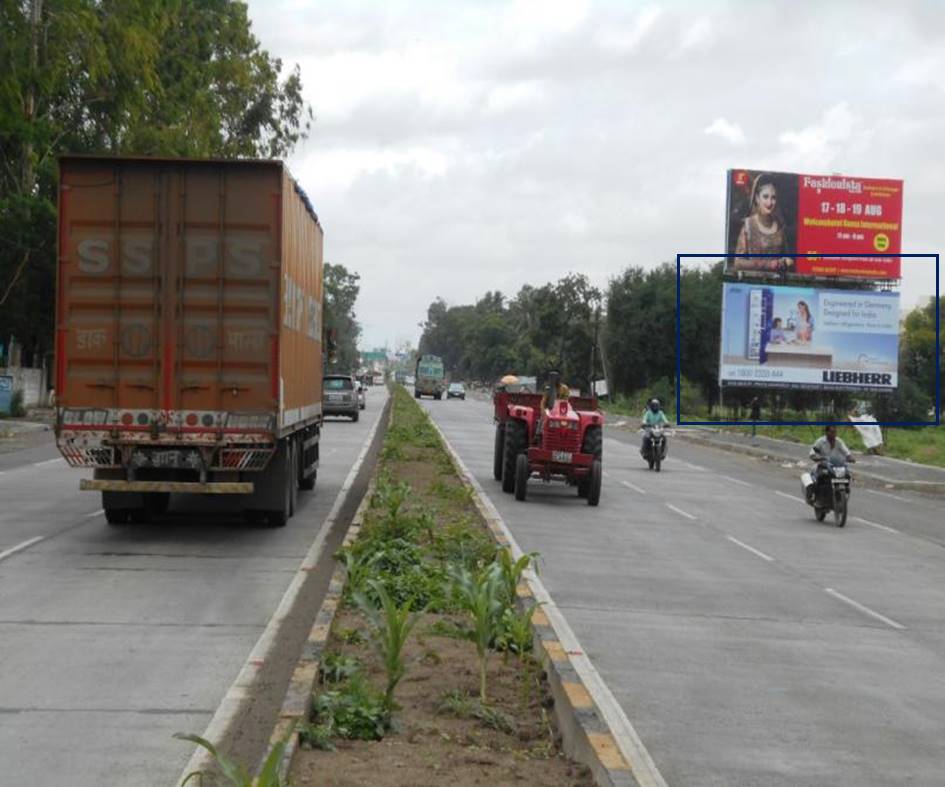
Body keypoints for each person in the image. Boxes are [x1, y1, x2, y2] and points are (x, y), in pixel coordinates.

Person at [733, 174, 794, 272]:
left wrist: (785, 262)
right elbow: (738, 262)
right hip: (753, 283)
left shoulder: (780, 226)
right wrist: (770, 265)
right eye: (765, 197)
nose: (770, 203)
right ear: (757, 198)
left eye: (773, 198)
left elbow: (789, 260)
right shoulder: (748, 225)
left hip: (778, 284)